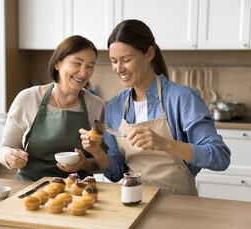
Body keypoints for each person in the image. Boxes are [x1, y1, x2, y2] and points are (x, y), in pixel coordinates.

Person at [79, 19, 230, 196]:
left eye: (126, 59)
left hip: (179, 204)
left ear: (149, 53)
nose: (119, 69)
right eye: (113, 61)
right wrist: (97, 152)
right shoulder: (115, 105)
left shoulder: (182, 98)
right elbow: (116, 172)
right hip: (133, 202)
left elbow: (220, 157)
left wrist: (165, 143)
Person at [0, 35, 105, 181]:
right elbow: (4, 147)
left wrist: (84, 164)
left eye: (90, 66)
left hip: (78, 192)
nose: (83, 72)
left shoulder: (96, 105)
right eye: (77, 63)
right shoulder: (28, 98)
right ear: (57, 64)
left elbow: (104, 161)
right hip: (30, 188)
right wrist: (9, 156)